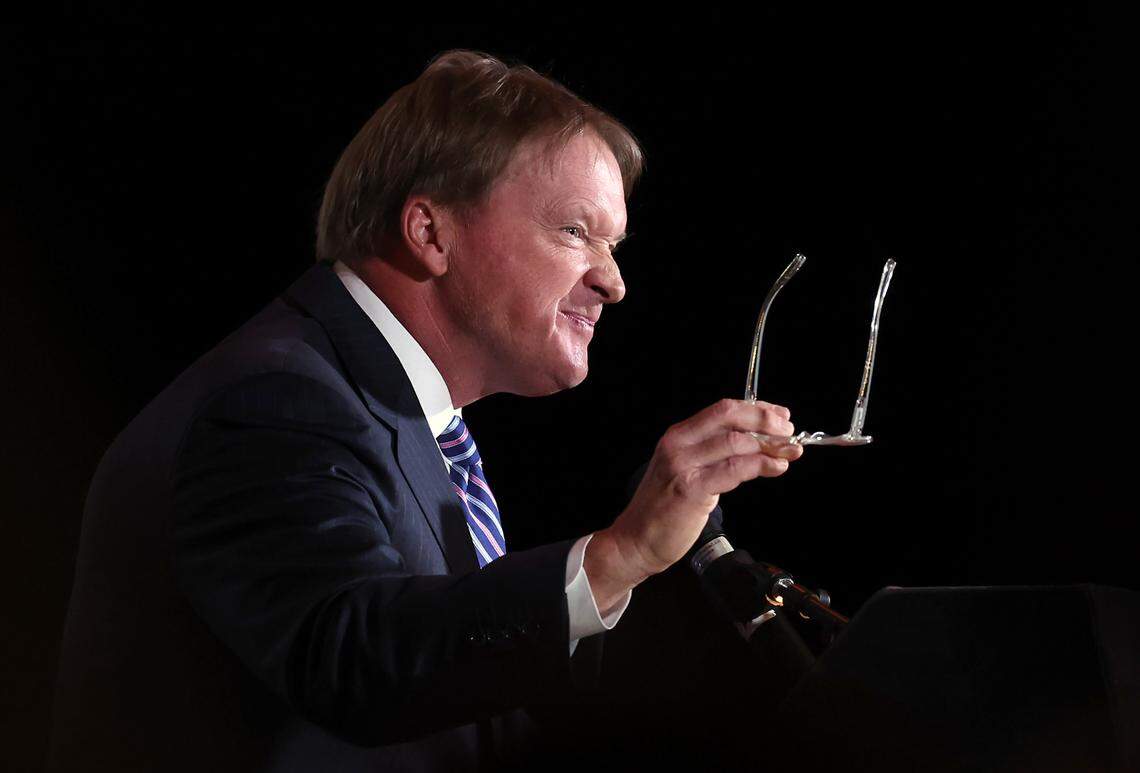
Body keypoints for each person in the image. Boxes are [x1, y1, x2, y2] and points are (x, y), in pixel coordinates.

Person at [47, 50, 802, 772]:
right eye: (576, 231)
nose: (612, 281)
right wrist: (620, 554)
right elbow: (357, 658)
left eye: (613, 243)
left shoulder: (405, 420)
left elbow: (464, 702)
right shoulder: (278, 402)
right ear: (431, 231)